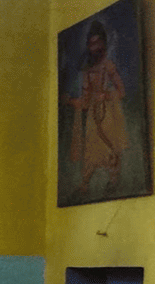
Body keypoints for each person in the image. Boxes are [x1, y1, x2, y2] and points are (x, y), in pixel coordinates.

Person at [64, 20, 128, 195]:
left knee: (110, 147)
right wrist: (73, 101)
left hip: (109, 113)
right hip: (93, 116)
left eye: (98, 43)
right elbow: (85, 97)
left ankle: (113, 181)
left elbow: (121, 91)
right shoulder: (87, 70)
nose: (95, 47)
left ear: (103, 44)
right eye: (91, 44)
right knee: (91, 150)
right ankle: (84, 184)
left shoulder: (108, 66)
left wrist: (105, 95)